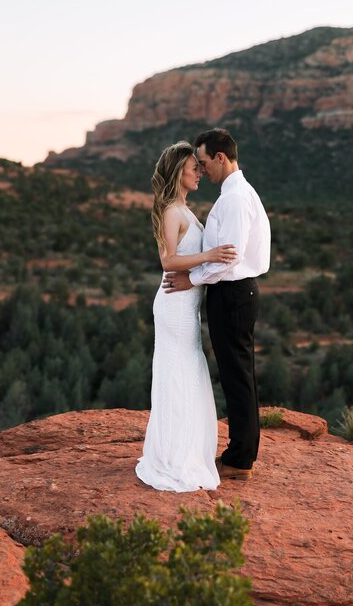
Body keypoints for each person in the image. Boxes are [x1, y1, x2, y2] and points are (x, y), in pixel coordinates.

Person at [163, 128, 271, 481]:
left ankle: (240, 459)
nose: (202, 168)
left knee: (237, 375)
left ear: (221, 158)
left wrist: (190, 279)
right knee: (238, 373)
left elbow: (229, 257)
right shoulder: (237, 194)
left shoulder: (235, 200)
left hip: (233, 293)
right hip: (235, 294)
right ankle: (242, 452)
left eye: (205, 161)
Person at [135, 141, 237, 492]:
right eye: (194, 167)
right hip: (174, 305)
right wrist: (209, 254)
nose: (199, 172)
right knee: (179, 372)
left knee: (189, 371)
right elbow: (167, 261)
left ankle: (189, 450)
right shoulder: (170, 211)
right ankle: (174, 457)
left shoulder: (184, 209)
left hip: (186, 304)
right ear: (180, 172)